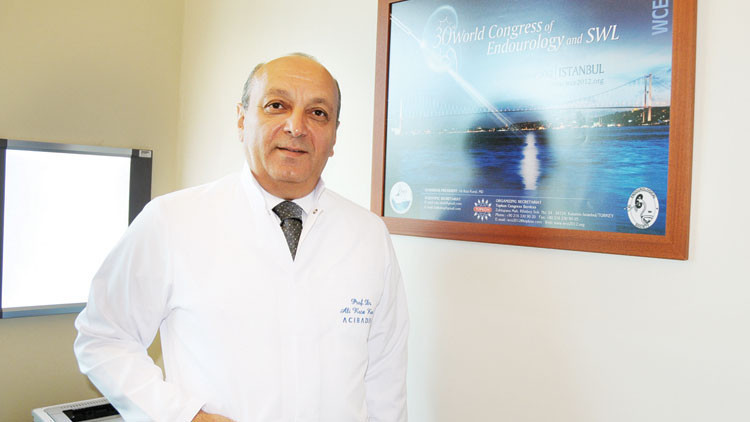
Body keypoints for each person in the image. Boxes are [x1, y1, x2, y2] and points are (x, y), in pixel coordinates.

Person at [74, 53, 409, 422]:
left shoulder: (369, 235)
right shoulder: (171, 220)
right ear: (241, 119)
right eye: (277, 105)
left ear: (333, 136)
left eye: (318, 113)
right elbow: (104, 339)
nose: (296, 127)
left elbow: (385, 380)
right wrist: (185, 416)